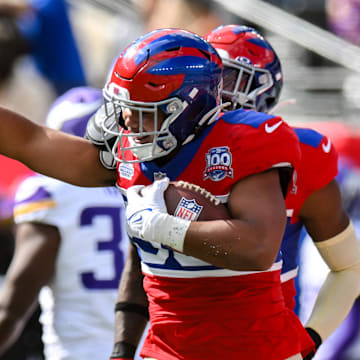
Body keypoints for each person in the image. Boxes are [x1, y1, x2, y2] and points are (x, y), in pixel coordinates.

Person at [0, 28, 315, 359]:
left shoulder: (241, 144)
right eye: (125, 106)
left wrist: (161, 227)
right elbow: (32, 141)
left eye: (144, 110)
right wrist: (122, 351)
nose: (128, 120)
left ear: (188, 108)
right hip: (167, 347)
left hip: (252, 349)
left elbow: (258, 247)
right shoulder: (131, 159)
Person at [205, 24, 360, 358]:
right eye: (208, 78)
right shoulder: (168, 149)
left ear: (262, 89)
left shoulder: (300, 155)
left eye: (227, 79)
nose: (212, 90)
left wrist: (312, 339)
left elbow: (350, 268)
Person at [0, 86, 132, 359]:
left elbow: (14, 305)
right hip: (145, 348)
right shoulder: (147, 185)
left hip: (79, 351)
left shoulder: (50, 191)